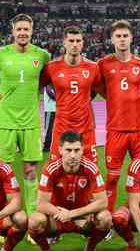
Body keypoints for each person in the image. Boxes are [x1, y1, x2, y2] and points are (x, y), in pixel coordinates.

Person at [0, 13, 50, 248]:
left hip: (31, 123)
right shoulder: (0, 54)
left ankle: (32, 226)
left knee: (29, 172)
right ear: (13, 31)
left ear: (32, 30)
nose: (23, 33)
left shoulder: (42, 55)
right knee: (0, 173)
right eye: (19, 29)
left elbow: (48, 82)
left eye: (27, 29)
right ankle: (0, 227)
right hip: (5, 121)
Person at [28, 131, 111, 251]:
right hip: (57, 219)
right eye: (68, 150)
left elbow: (103, 202)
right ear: (60, 150)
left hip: (82, 220)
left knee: (105, 218)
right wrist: (64, 215)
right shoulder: (50, 169)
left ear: (83, 149)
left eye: (77, 150)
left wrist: (72, 214)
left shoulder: (91, 168)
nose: (73, 155)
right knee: (34, 221)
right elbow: (41, 204)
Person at [97, 20, 140, 212]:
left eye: (125, 36)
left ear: (131, 38)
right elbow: (101, 90)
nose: (122, 39)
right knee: (112, 177)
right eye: (118, 36)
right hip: (116, 131)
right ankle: (109, 218)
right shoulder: (103, 65)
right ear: (112, 39)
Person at [40, 25, 102, 163]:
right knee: (56, 167)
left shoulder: (93, 67)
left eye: (78, 41)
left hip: (86, 127)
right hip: (62, 126)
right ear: (64, 42)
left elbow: (98, 90)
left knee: (91, 168)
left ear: (83, 43)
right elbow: (38, 87)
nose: (75, 44)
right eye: (71, 40)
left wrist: (83, 100)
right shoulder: (52, 67)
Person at [42, 86, 56, 153]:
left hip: (56, 109)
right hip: (50, 110)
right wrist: (60, 97)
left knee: (52, 129)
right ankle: (46, 147)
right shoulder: (48, 86)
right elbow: (50, 93)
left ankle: (49, 147)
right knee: (48, 129)